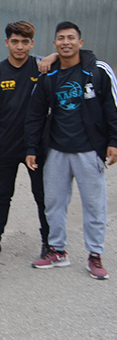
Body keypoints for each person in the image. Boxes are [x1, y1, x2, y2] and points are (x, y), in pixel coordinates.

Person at [26, 22, 117, 280]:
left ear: (80, 41)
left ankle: (95, 255)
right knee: (54, 202)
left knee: (94, 205)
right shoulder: (49, 76)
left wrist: (114, 141)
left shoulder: (97, 71)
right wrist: (32, 147)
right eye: (61, 39)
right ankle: (57, 250)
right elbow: (35, 115)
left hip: (89, 150)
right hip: (56, 150)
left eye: (71, 38)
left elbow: (112, 107)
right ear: (54, 44)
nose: (66, 42)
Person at [0, 21, 48, 260]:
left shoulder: (42, 68)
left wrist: (56, 54)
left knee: (42, 195)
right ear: (7, 43)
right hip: (6, 145)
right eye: (15, 41)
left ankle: (49, 243)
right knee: (2, 194)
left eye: (25, 42)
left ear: (32, 44)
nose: (20, 47)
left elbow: (74, 58)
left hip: (37, 147)